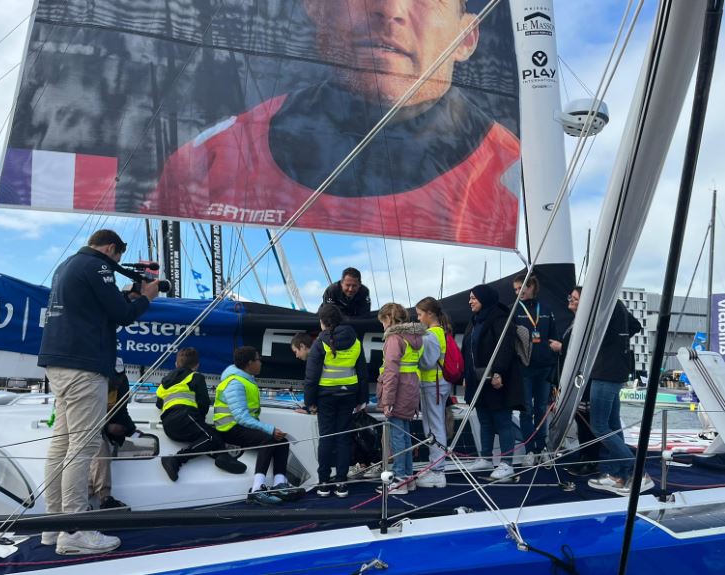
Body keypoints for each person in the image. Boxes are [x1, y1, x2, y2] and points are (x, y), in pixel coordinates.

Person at [144, 0, 520, 247]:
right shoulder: (209, 160)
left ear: (466, 37)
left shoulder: (517, 180)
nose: (391, 10)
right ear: (318, 9)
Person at [37, 229, 159, 555]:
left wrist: (128, 296)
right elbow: (122, 316)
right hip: (85, 365)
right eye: (117, 256)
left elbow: (102, 309)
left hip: (59, 361)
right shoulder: (99, 266)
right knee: (83, 445)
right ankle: (75, 528)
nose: (117, 262)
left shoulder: (68, 265)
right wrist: (146, 297)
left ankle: (53, 525)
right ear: (110, 249)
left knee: (61, 443)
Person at [214, 347, 303, 506]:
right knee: (269, 439)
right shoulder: (235, 383)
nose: (261, 363)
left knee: (282, 442)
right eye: (258, 360)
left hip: (239, 426)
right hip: (229, 428)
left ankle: (278, 484)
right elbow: (241, 416)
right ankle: (256, 490)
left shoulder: (245, 379)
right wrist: (269, 429)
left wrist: (270, 430)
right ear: (250, 363)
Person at [584, 299, 652, 495]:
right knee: (613, 425)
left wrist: (608, 343)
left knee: (599, 425)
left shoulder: (601, 305)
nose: (571, 301)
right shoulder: (616, 302)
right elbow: (635, 325)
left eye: (574, 298)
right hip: (617, 369)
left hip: (604, 371)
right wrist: (617, 341)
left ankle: (638, 472)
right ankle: (619, 475)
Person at [303, 305, 368, 497]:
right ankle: (341, 482)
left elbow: (311, 377)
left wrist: (309, 402)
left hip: (326, 397)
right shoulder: (355, 341)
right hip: (349, 395)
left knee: (326, 438)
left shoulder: (319, 343)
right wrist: (362, 399)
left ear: (323, 322)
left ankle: (323, 482)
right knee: (343, 438)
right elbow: (362, 373)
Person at [461, 284, 523, 481]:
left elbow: (505, 348)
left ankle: (507, 464)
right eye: (470, 297)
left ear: (485, 299)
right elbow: (468, 350)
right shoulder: (474, 321)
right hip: (477, 379)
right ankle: (486, 458)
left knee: (502, 420)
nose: (470, 301)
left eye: (474, 298)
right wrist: (467, 375)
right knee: (484, 419)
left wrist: (497, 372)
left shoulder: (500, 319)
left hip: (497, 379)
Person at [157, 348, 246, 481]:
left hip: (168, 425)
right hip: (184, 416)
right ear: (197, 365)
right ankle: (176, 460)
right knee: (211, 437)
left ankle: (222, 456)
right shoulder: (195, 376)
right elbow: (203, 402)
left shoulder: (163, 384)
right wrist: (200, 420)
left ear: (176, 364)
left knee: (211, 435)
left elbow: (159, 404)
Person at [374, 303, 425, 495]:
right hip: (411, 390)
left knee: (397, 437)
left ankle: (399, 479)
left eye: (382, 322)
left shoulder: (394, 338)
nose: (383, 326)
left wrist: (387, 401)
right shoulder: (415, 337)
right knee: (404, 436)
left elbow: (391, 372)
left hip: (397, 393)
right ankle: (408, 478)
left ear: (388, 319)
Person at [548, 287, 600, 478]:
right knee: (580, 419)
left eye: (575, 298)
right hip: (574, 379)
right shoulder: (576, 322)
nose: (570, 300)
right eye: (570, 297)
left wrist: (561, 347)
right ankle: (584, 456)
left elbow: (583, 349)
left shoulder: (587, 323)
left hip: (585, 379)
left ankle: (591, 460)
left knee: (588, 421)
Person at [512, 274, 559, 466]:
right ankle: (529, 450)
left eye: (521, 288)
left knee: (541, 409)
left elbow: (554, 337)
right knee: (526, 410)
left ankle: (543, 449)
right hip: (524, 369)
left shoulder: (546, 309)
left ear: (531, 286)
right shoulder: (514, 310)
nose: (518, 292)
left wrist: (551, 354)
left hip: (544, 368)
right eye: (515, 290)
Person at [414, 297, 452, 488]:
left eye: (420, 314)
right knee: (437, 424)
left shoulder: (430, 335)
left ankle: (438, 470)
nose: (419, 319)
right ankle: (436, 466)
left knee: (433, 426)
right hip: (440, 384)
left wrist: (414, 356)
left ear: (430, 314)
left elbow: (427, 362)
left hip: (432, 385)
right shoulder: (442, 332)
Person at [88, 358, 134, 510]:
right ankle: (104, 497)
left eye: (121, 375)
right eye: (114, 376)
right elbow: (86, 415)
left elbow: (121, 410)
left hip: (100, 425)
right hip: (84, 425)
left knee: (100, 447)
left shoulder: (122, 383)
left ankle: (85, 495)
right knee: (100, 447)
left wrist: (131, 429)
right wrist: (107, 428)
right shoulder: (92, 385)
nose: (118, 380)